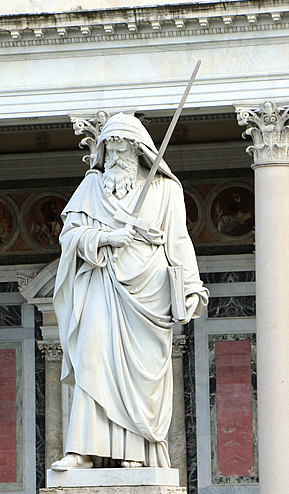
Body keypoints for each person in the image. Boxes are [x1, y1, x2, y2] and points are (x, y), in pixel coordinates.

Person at [51, 113, 209, 470]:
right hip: (102, 283)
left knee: (141, 377)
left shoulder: (166, 190)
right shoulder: (92, 187)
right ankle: (82, 451)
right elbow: (70, 236)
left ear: (139, 151)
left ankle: (135, 454)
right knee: (92, 357)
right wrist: (107, 237)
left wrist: (191, 287)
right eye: (109, 149)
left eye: (123, 149)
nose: (116, 157)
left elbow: (179, 241)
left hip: (148, 291)